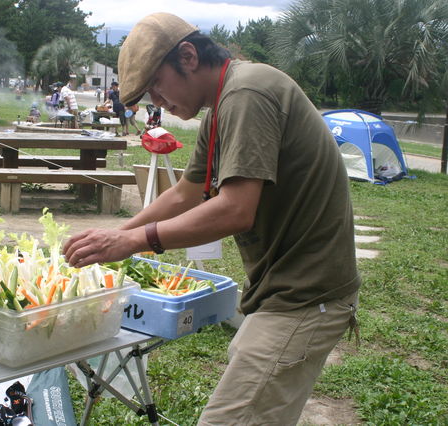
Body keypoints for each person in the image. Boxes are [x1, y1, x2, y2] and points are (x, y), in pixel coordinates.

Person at [62, 12, 360, 425]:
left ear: (188, 56)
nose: (157, 101)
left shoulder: (246, 93)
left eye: (157, 84)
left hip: (307, 294)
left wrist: (133, 241)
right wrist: (115, 237)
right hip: (281, 288)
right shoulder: (221, 104)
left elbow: (236, 209)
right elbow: (185, 192)